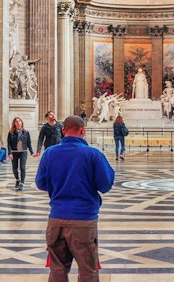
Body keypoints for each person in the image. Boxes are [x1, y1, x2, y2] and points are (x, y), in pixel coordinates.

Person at [35, 115, 115, 282]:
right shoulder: (93, 154)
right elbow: (105, 185)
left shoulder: (49, 153)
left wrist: (59, 184)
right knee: (88, 271)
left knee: (57, 270)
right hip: (84, 220)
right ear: (83, 131)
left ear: (63, 131)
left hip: (56, 219)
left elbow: (40, 183)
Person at [8, 116, 33, 190]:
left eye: (19, 121)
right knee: (14, 168)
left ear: (22, 123)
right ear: (14, 123)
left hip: (23, 152)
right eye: (16, 121)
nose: (18, 122)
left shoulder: (26, 132)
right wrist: (9, 153)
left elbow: (29, 143)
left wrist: (32, 152)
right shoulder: (11, 133)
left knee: (22, 167)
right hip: (14, 152)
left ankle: (22, 183)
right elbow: (9, 144)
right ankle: (17, 179)